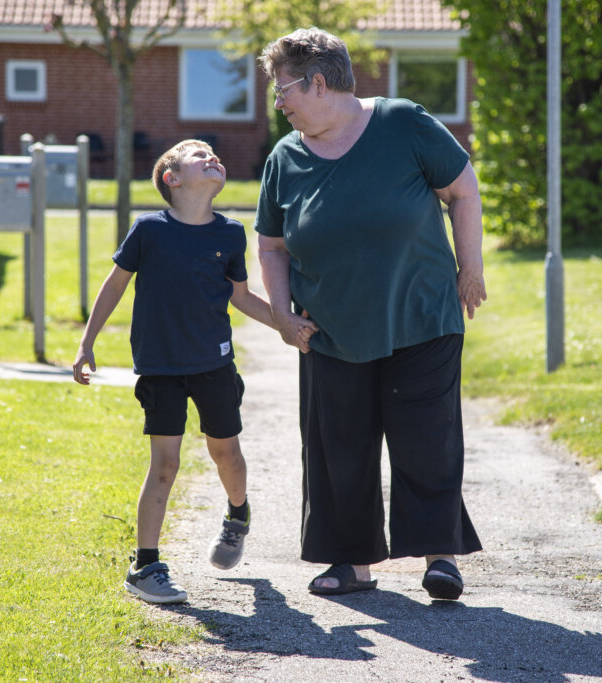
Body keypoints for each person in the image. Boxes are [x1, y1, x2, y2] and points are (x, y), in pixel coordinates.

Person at [255, 27, 487, 600]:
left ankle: (441, 557)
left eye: (282, 89)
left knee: (426, 441)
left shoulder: (402, 123)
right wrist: (283, 316)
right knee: (339, 446)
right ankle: (350, 563)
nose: (277, 101)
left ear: (318, 82)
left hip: (422, 317)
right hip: (329, 330)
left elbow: (462, 190)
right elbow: (271, 245)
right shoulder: (285, 157)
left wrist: (471, 268)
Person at [72, 140, 312, 604]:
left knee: (227, 455)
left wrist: (285, 323)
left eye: (214, 154)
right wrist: (86, 342)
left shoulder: (230, 233)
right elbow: (115, 284)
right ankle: (145, 566)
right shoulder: (149, 231)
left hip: (214, 364)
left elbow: (240, 297)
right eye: (198, 154)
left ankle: (237, 514)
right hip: (160, 367)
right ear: (172, 178)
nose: (212, 157)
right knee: (164, 465)